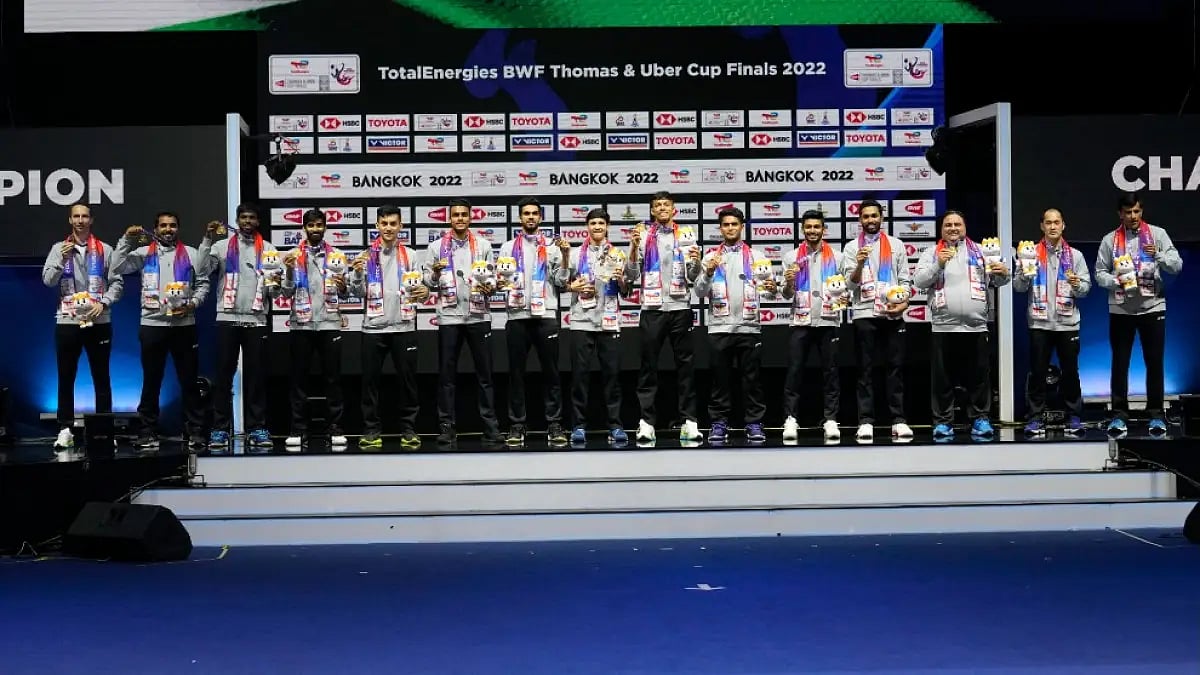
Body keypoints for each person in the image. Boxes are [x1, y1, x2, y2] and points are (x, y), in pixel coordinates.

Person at [113, 212, 211, 448]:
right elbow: (115, 267)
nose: (168, 229)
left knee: (188, 381)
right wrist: (126, 240)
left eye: (173, 225)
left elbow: (204, 283)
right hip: (152, 325)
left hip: (184, 326)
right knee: (151, 381)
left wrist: (192, 304)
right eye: (163, 225)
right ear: (155, 229)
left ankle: (194, 431)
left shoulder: (192, 253)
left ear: (178, 228)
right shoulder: (143, 253)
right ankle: (147, 431)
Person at [913, 210, 1010, 439]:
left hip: (976, 326)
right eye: (948, 225)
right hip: (943, 327)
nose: (953, 228)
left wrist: (1004, 273)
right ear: (941, 230)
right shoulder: (931, 253)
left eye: (957, 224)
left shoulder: (982, 251)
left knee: (979, 378)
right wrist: (938, 263)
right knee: (943, 379)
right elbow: (919, 281)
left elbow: (999, 280)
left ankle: (980, 420)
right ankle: (943, 422)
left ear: (965, 227)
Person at [1094, 191, 1182, 436]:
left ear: (1141, 212)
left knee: (1154, 363)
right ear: (1120, 214)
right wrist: (1116, 281)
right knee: (1119, 364)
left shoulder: (1157, 234)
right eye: (1128, 212)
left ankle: (1156, 414)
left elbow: (1176, 265)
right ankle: (1119, 415)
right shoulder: (1110, 240)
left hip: (1152, 307)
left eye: (1137, 211)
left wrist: (1160, 255)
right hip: (1121, 309)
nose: (1133, 216)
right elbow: (1099, 272)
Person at [41, 203, 124, 449]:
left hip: (98, 320)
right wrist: (61, 260)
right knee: (66, 377)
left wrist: (105, 303)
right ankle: (65, 429)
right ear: (70, 220)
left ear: (91, 220)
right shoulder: (59, 248)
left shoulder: (106, 250)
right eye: (76, 216)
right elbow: (48, 281)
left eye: (84, 216)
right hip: (68, 320)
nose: (80, 220)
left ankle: (105, 430)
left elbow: (117, 283)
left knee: (102, 376)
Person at [422, 198, 503, 448]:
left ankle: (491, 427)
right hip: (449, 316)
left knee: (485, 376)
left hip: (479, 316)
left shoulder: (484, 245)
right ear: (449, 218)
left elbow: (492, 278)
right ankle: (447, 427)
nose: (460, 218)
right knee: (447, 376)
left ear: (470, 217)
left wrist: (491, 286)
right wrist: (434, 274)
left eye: (464, 215)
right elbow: (427, 283)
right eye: (455, 215)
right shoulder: (436, 247)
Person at [625, 191, 702, 443]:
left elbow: (693, 276)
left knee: (685, 368)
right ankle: (646, 423)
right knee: (648, 367)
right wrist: (634, 247)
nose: (661, 208)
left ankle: (689, 421)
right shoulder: (643, 235)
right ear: (652, 211)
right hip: (652, 309)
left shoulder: (686, 234)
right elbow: (632, 274)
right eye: (657, 205)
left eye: (666, 205)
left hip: (680, 308)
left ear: (673, 209)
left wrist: (697, 262)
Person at [693, 207, 775, 444]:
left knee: (752, 380)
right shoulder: (710, 257)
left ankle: (754, 423)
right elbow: (699, 291)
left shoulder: (757, 257)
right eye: (726, 224)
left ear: (742, 227)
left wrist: (771, 289)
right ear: (720, 228)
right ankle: (718, 423)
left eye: (734, 224)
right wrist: (708, 272)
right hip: (720, 328)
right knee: (720, 380)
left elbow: (769, 296)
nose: (730, 228)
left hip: (749, 328)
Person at [349, 205, 428, 448]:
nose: (389, 228)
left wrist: (424, 292)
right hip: (373, 328)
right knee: (370, 384)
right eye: (384, 223)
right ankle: (372, 431)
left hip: (404, 327)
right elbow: (356, 292)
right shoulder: (365, 255)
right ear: (377, 226)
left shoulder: (412, 255)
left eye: (393, 223)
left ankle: (409, 430)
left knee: (408, 382)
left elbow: (420, 292)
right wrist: (357, 275)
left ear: (400, 226)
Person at [496, 197, 570, 446]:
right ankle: (517, 425)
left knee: (551, 373)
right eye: (526, 213)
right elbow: (500, 280)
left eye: (534, 213)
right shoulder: (507, 248)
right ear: (520, 218)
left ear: (540, 217)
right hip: (517, 316)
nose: (530, 217)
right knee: (516, 373)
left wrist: (566, 256)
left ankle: (554, 424)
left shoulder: (551, 247)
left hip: (546, 315)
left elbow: (561, 282)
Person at [204, 203, 278, 448]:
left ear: (258, 222)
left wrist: (277, 281)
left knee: (256, 377)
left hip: (256, 319)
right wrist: (206, 239)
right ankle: (219, 429)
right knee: (223, 376)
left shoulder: (268, 249)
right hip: (227, 318)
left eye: (252, 218)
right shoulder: (221, 246)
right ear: (237, 220)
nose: (247, 221)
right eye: (243, 217)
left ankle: (257, 428)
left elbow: (275, 291)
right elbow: (201, 270)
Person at [1012, 208, 1091, 435]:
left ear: (1063, 225)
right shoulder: (1030, 253)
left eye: (1057, 222)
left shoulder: (1075, 256)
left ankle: (1074, 416)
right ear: (1042, 226)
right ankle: (1034, 417)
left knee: (1070, 372)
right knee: (1037, 372)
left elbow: (1086, 290)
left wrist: (1077, 284)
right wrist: (1024, 275)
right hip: (1040, 323)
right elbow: (1018, 287)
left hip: (1067, 324)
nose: (1053, 226)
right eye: (1049, 222)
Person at [842, 199, 914, 442]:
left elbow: (905, 282)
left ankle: (898, 420)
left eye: (874, 216)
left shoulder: (896, 245)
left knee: (895, 369)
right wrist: (860, 263)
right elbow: (849, 285)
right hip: (864, 314)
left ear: (881, 217)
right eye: (866, 216)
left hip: (892, 314)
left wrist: (903, 304)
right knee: (865, 370)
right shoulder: (852, 248)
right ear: (859, 220)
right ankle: (866, 421)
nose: (870, 220)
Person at [280, 209, 350, 448]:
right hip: (301, 324)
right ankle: (298, 429)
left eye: (319, 225)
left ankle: (335, 426)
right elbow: (285, 292)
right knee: (299, 380)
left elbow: (346, 291)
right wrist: (289, 270)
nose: (316, 229)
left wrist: (342, 286)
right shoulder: (291, 255)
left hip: (330, 322)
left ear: (325, 227)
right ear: (304, 227)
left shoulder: (337, 255)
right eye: (311, 225)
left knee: (333, 379)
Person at [563, 208, 632, 445]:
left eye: (601, 223)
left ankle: (615, 426)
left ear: (607, 226)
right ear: (587, 226)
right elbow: (562, 283)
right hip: (582, 321)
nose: (597, 227)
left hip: (609, 322)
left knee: (612, 378)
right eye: (593, 223)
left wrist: (622, 281)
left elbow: (626, 290)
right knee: (580, 378)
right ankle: (578, 426)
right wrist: (573, 287)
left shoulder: (618, 254)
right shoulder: (573, 255)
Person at [781, 210, 844, 442]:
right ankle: (790, 418)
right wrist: (789, 281)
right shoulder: (791, 257)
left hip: (828, 320)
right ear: (803, 229)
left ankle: (830, 419)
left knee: (831, 372)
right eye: (808, 227)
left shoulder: (837, 257)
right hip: (800, 320)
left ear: (823, 229)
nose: (812, 231)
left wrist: (843, 297)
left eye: (817, 227)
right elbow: (786, 294)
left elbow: (844, 289)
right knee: (795, 371)